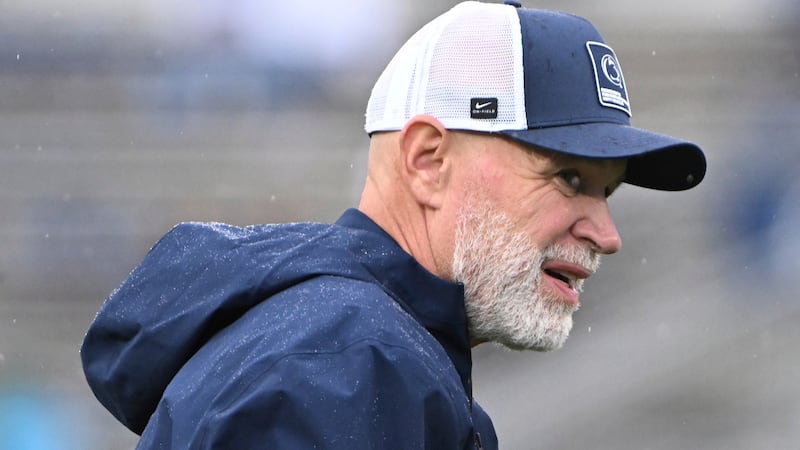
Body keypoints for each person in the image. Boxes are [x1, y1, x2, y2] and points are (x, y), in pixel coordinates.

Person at [81, 1, 706, 449]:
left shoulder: (353, 349)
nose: (607, 234)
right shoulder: (345, 366)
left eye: (607, 191)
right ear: (428, 162)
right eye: (568, 178)